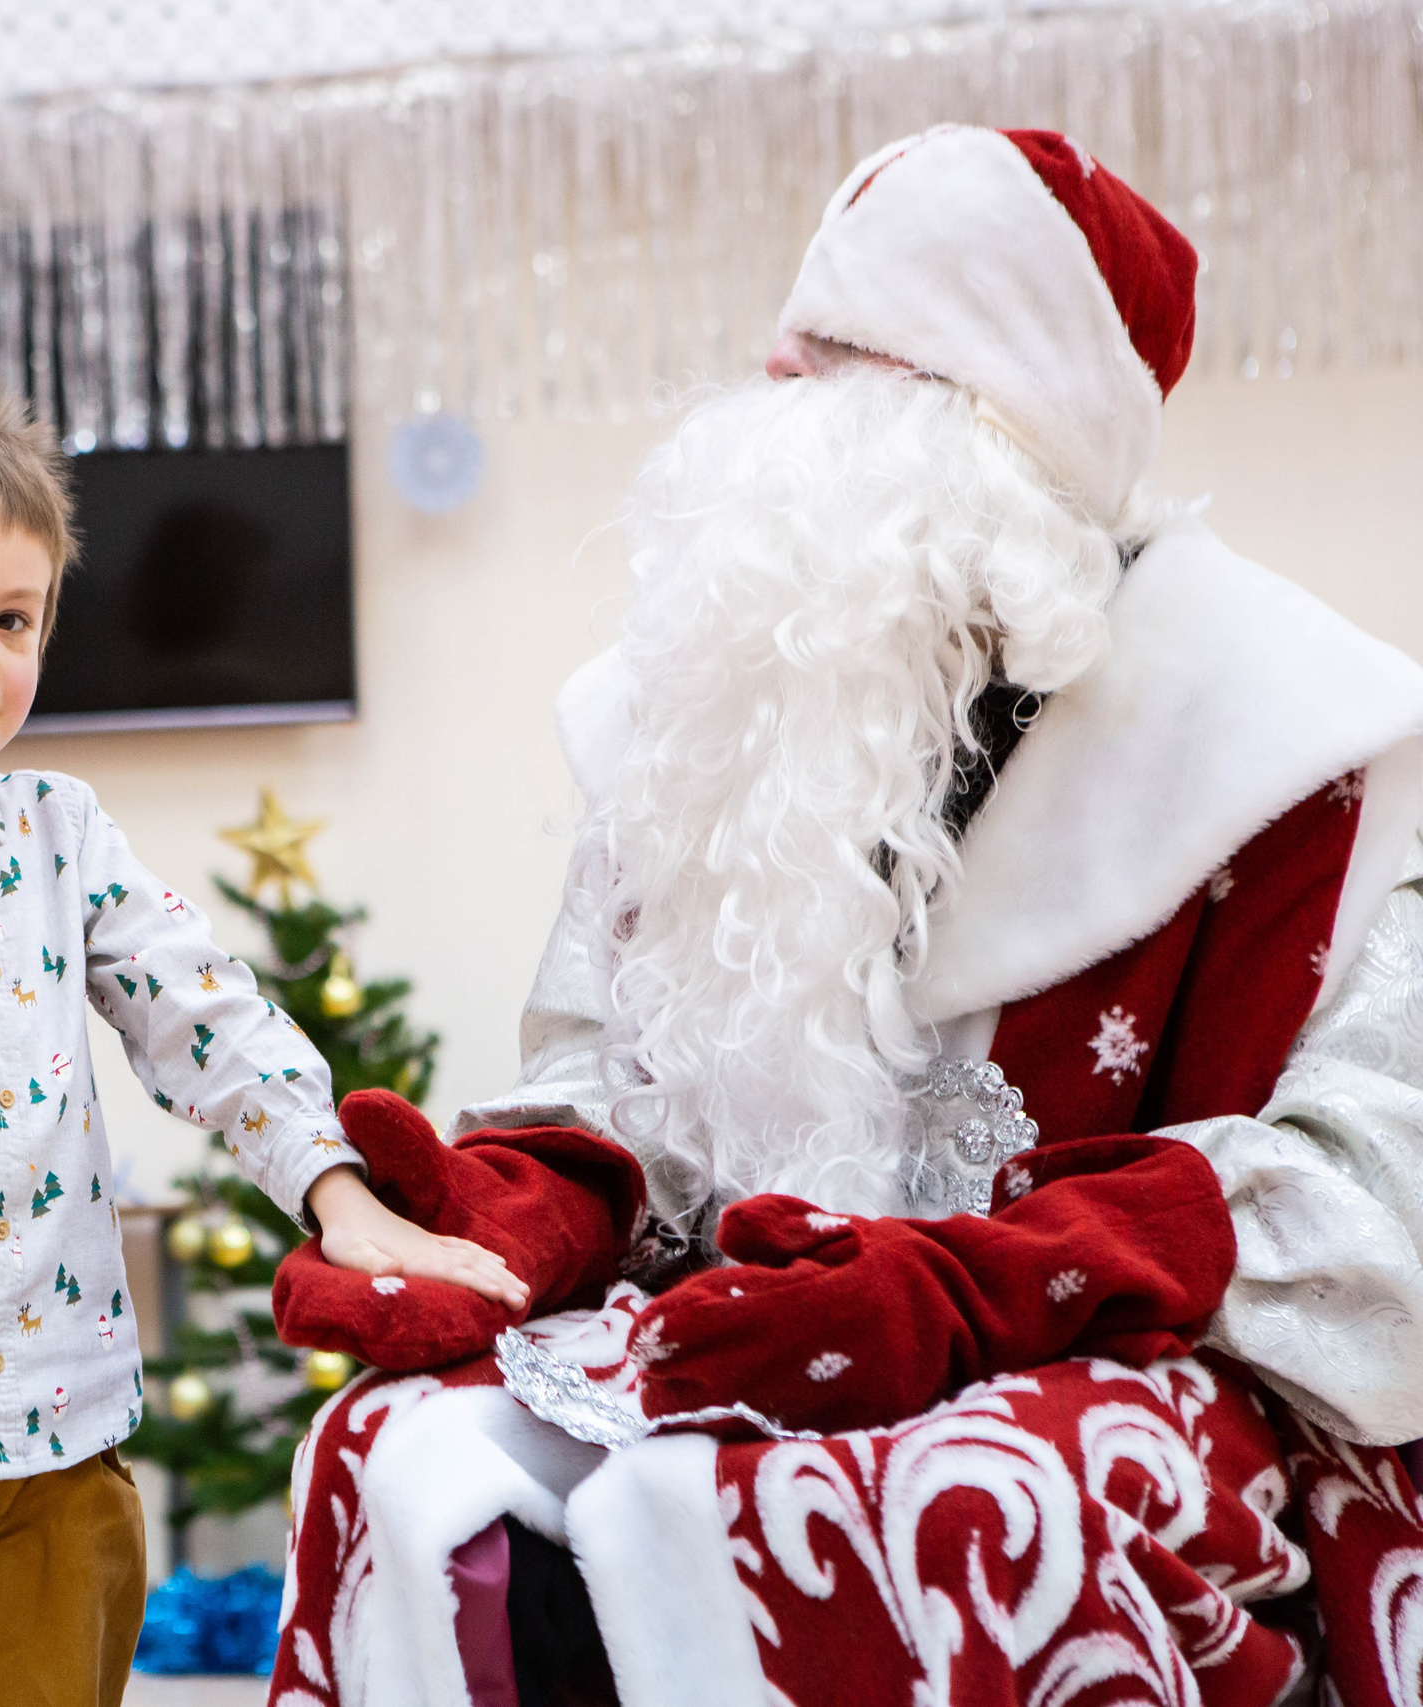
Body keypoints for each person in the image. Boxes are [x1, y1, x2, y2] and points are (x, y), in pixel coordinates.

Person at [264, 126, 1423, 1706]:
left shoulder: (1317, 747)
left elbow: (1378, 1206)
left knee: (967, 1506)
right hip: (748, 1328)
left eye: (837, 370)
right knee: (388, 1456)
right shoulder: (719, 709)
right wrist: (522, 1205)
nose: (768, 403)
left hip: (1138, 1367)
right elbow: (621, 1078)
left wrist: (973, 1287)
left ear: (996, 444)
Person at [0, 384, 518, 1706]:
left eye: (12, 621)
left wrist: (334, 1189)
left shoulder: (63, 834)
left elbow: (207, 1013)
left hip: (67, 1454)